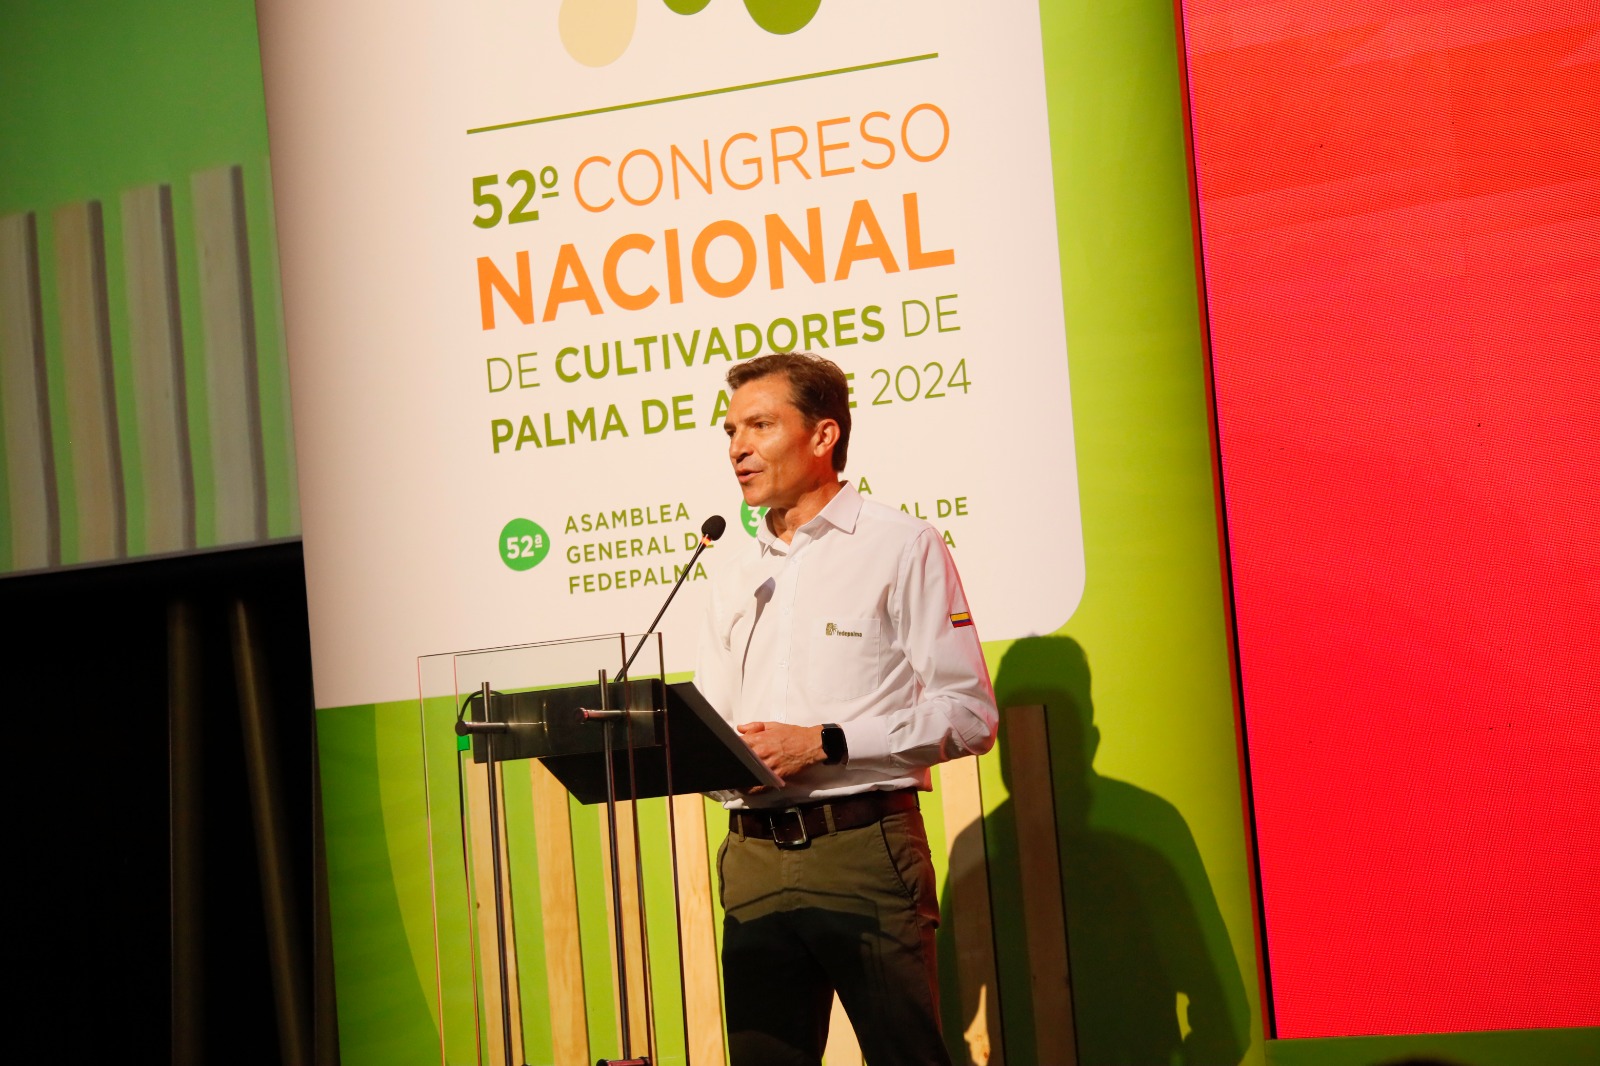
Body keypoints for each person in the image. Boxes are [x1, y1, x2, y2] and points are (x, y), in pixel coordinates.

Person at [695, 351, 998, 1066]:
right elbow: (713, 720)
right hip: (751, 857)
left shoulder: (902, 546)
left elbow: (970, 715)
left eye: (760, 425)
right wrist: (719, 767)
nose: (737, 447)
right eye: (730, 430)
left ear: (824, 436)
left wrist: (827, 742)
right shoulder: (729, 568)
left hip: (863, 849)